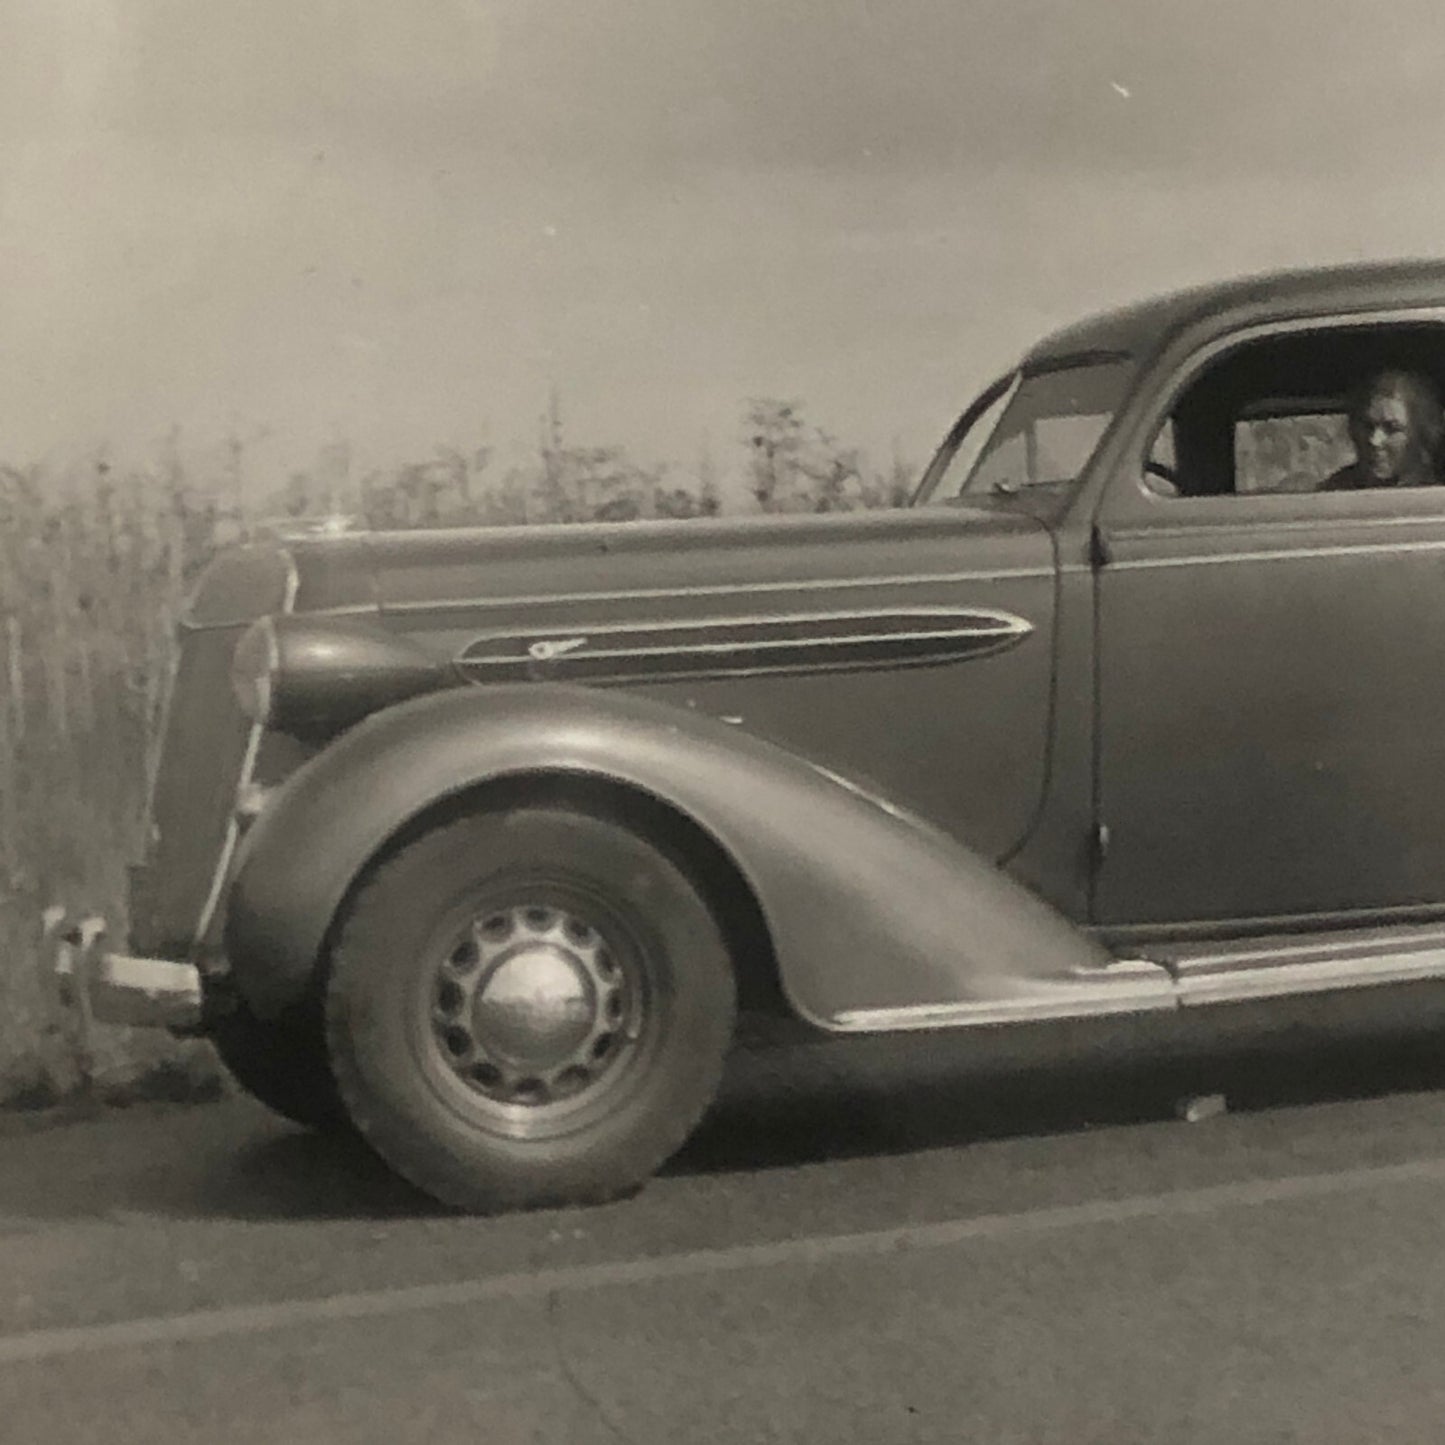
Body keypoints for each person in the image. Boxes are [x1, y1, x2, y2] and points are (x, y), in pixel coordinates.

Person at [1321, 368, 1445, 490]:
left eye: (1392, 429)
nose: (1374, 440)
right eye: (1367, 426)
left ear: (1421, 434)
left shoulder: (1436, 491)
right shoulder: (1334, 492)